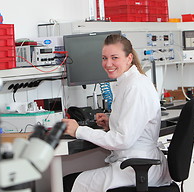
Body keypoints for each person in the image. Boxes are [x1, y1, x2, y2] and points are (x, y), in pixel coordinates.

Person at [62, 34, 170, 192]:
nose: (108, 63)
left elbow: (123, 140)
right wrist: (111, 122)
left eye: (114, 57)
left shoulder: (136, 87)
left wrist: (79, 130)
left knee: (67, 183)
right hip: (136, 164)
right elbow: (132, 124)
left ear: (129, 58)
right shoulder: (130, 82)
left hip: (137, 168)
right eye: (104, 58)